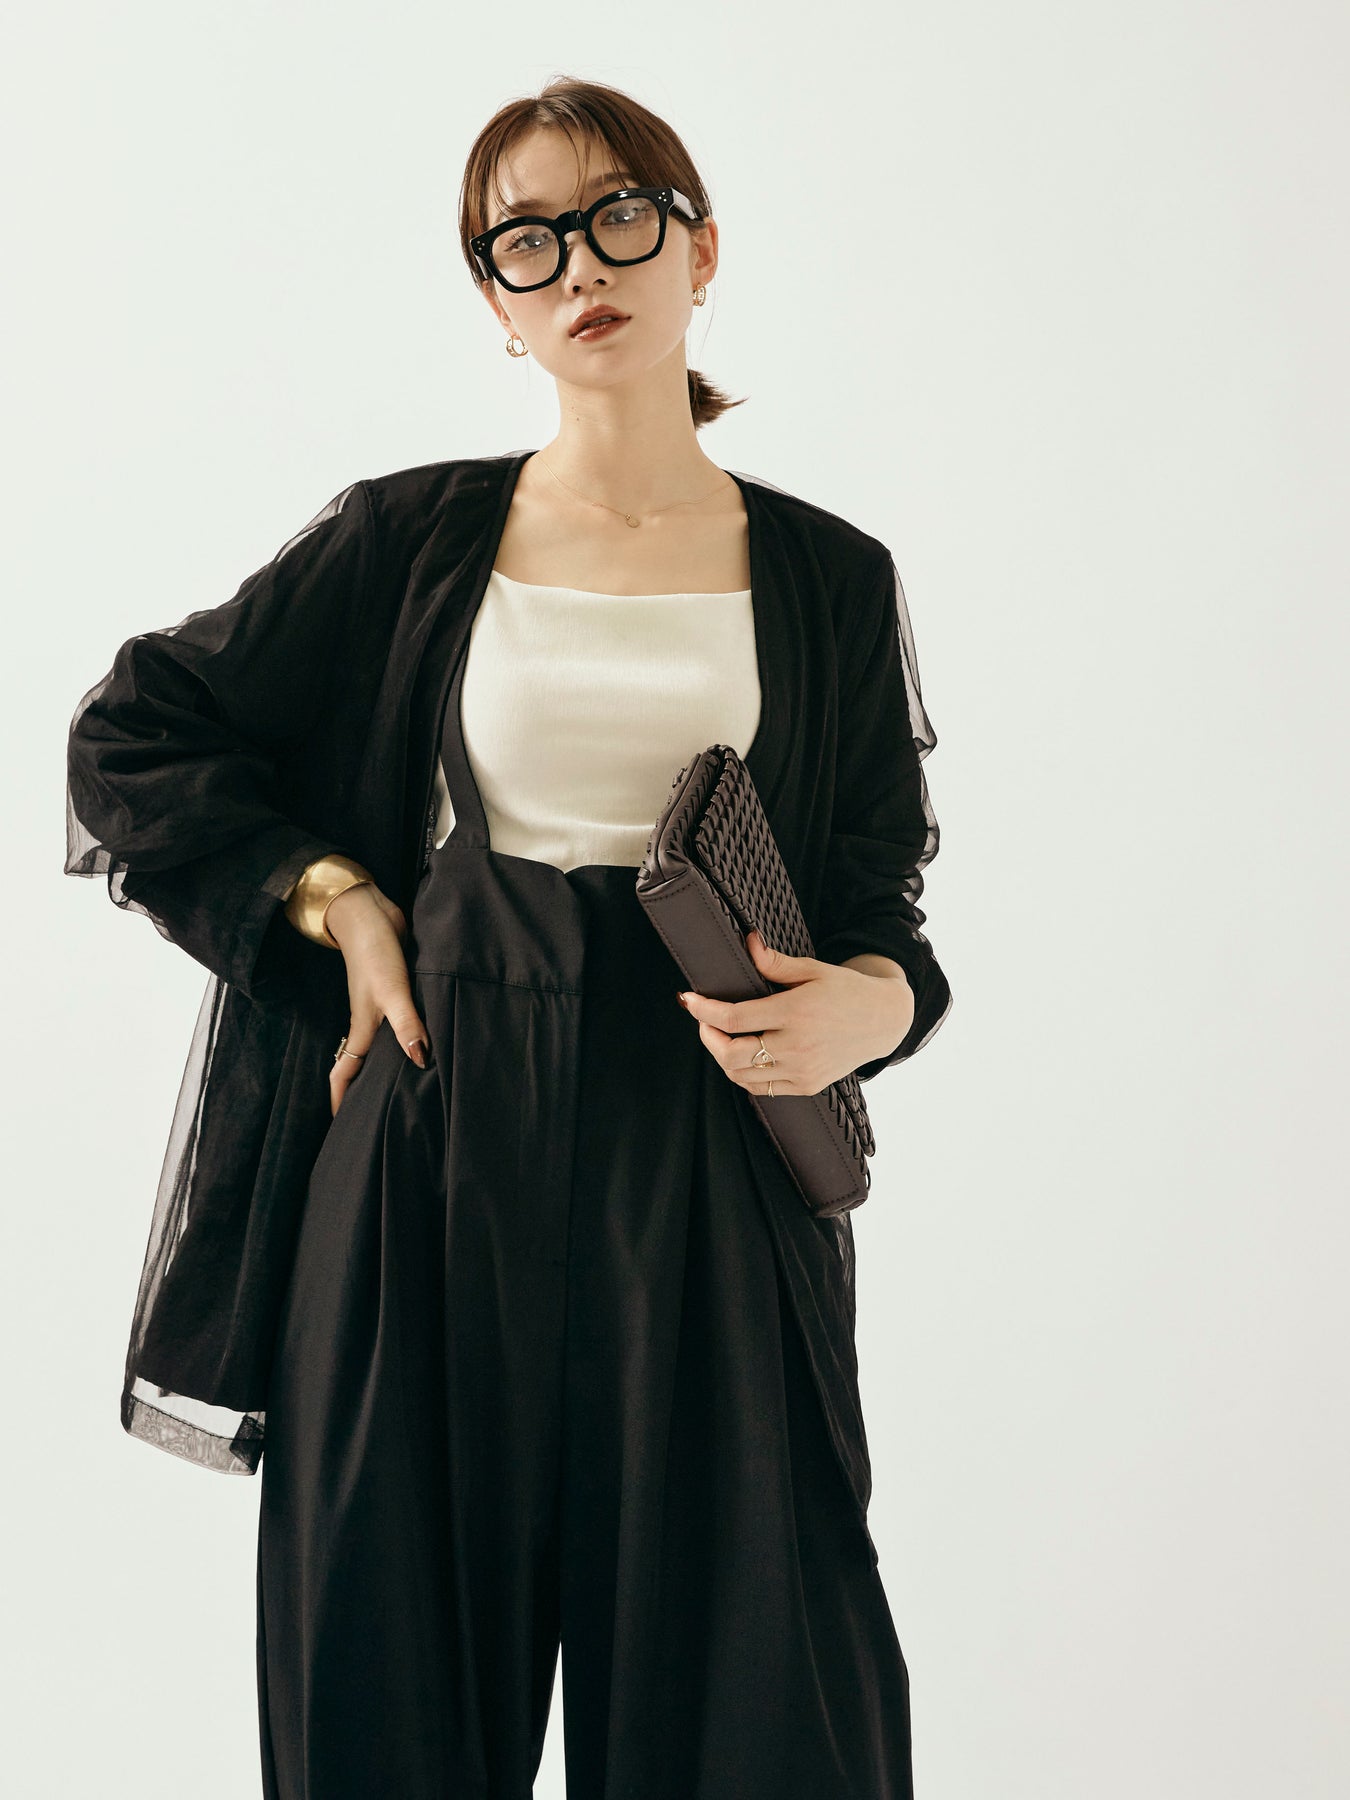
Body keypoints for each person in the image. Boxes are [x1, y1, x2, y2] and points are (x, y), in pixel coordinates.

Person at [65, 75, 952, 1800]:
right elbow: (134, 734)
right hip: (428, 1136)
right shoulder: (409, 538)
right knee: (382, 1696)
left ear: (700, 248)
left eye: (618, 215)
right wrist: (337, 899)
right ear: (493, 299)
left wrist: (872, 1006)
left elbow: (875, 908)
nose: (580, 264)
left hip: (709, 1160)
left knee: (759, 1702)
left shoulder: (827, 577)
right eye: (524, 240)